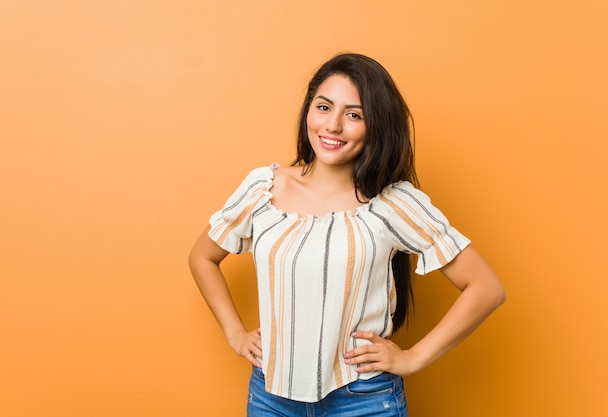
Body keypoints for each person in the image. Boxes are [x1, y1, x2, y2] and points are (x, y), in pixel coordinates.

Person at [188, 53, 506, 416]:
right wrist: (235, 333)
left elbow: (486, 288)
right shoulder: (264, 189)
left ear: (376, 126)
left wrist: (414, 358)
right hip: (270, 396)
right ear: (309, 110)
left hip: (363, 400)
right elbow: (203, 256)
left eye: (354, 115)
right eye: (323, 107)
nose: (333, 125)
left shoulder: (393, 203)